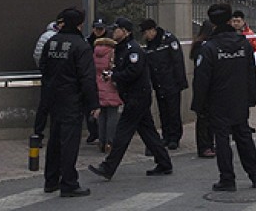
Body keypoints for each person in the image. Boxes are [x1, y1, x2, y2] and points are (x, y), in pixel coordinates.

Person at [88, 17, 173, 181]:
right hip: (133, 96)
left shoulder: (133, 50)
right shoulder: (121, 48)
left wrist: (114, 76)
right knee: (148, 132)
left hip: (137, 97)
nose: (114, 32)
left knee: (122, 133)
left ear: (125, 31)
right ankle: (164, 162)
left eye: (117, 29)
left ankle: (108, 166)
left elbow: (133, 72)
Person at [192, 3, 256, 192]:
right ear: (229, 20)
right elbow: (251, 73)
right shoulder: (243, 44)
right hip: (239, 99)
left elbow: (201, 81)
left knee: (222, 141)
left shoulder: (209, 48)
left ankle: (227, 179)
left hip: (218, 101)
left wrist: (199, 105)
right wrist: (252, 97)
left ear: (212, 23)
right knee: (244, 136)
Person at [39, 7, 98, 197]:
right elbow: (87, 78)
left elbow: (44, 68)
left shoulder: (52, 42)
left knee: (54, 140)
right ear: (80, 24)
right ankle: (69, 183)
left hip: (53, 98)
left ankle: (51, 180)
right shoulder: (81, 46)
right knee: (69, 142)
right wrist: (93, 104)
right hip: (72, 100)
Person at [140, 18, 189, 150]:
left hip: (171, 82)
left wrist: (180, 81)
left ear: (152, 30)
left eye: (146, 33)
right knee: (163, 111)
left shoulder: (168, 40)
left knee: (173, 111)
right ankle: (166, 136)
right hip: (159, 83)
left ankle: (174, 137)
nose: (145, 36)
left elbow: (177, 61)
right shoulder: (150, 45)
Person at [92, 27, 122, 155]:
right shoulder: (112, 52)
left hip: (98, 85)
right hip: (110, 85)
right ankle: (110, 142)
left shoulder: (94, 52)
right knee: (112, 115)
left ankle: (101, 141)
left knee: (102, 115)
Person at [32, 17, 62, 142]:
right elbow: (39, 55)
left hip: (50, 76)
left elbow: (38, 56)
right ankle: (43, 134)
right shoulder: (50, 37)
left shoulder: (48, 36)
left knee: (45, 107)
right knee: (48, 107)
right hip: (53, 77)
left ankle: (39, 134)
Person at [189, 20, 216, 158]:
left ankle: (210, 143)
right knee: (204, 116)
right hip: (204, 85)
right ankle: (204, 145)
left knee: (210, 117)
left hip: (212, 85)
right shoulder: (202, 47)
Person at [84, 18, 109, 144]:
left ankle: (103, 134)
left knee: (105, 108)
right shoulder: (87, 42)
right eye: (96, 28)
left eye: (101, 28)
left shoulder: (110, 42)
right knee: (89, 106)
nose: (98, 31)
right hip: (90, 77)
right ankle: (93, 131)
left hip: (105, 78)